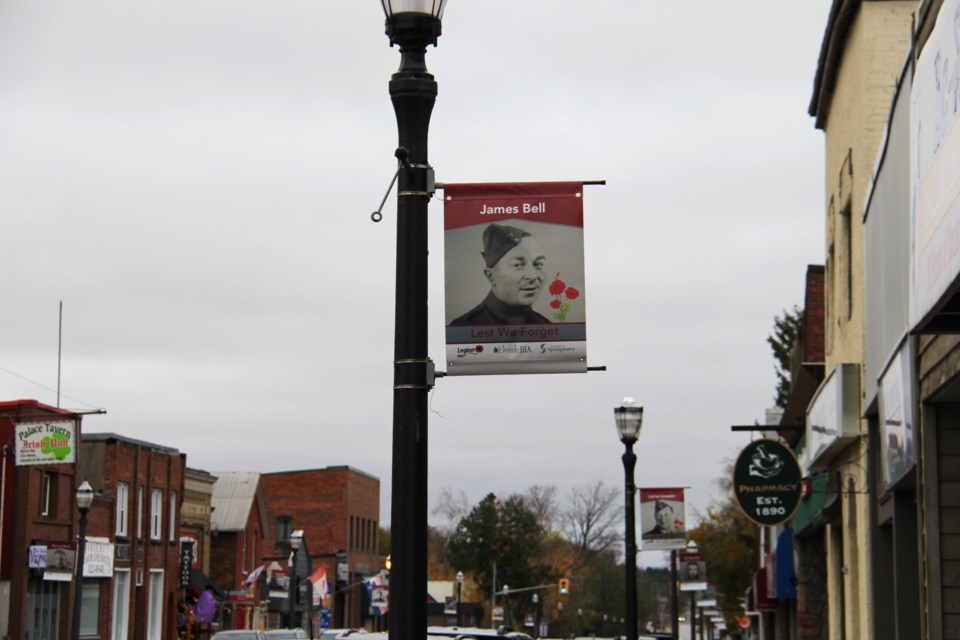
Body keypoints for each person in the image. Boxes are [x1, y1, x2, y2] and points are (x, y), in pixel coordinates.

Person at [450, 223, 551, 325]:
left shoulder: (545, 325)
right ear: (491, 276)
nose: (533, 276)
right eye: (517, 265)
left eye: (538, 264)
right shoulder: (465, 327)